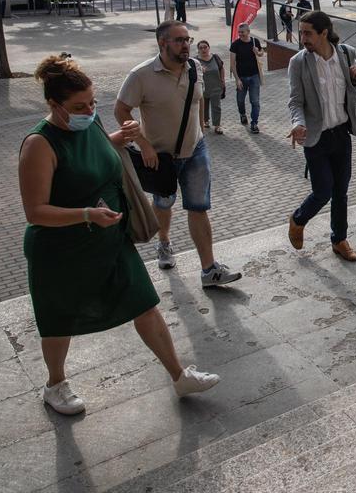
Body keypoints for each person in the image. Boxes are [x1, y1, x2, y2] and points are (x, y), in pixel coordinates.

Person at [19, 55, 221, 415]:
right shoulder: (39, 144)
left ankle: (179, 375)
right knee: (58, 317)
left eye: (92, 102)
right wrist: (86, 214)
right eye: (78, 106)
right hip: (61, 248)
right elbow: (35, 212)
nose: (89, 109)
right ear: (54, 105)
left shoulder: (90, 123)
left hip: (109, 239)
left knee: (144, 303)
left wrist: (118, 138)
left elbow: (95, 151)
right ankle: (55, 384)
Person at [115, 20, 242, 286]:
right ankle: (163, 243)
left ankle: (209, 270)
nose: (186, 45)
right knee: (163, 203)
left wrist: (201, 129)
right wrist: (143, 144)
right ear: (162, 43)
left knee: (198, 207)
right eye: (179, 40)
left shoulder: (195, 67)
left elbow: (198, 100)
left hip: (195, 150)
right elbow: (121, 111)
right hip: (160, 157)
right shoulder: (141, 75)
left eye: (188, 40)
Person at [286, 10, 356, 261]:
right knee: (323, 191)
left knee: (340, 192)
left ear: (324, 32)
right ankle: (298, 219)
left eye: (307, 33)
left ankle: (339, 240)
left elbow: (351, 92)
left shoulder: (346, 53)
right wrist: (298, 124)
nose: (302, 38)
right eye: (301, 32)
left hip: (342, 133)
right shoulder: (299, 62)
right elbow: (295, 101)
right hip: (315, 136)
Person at [229, 23, 264, 134]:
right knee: (240, 100)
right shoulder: (235, 45)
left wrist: (257, 52)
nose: (240, 34)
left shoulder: (255, 41)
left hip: (254, 76)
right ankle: (243, 114)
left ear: (248, 31)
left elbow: (261, 53)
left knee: (255, 101)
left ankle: (254, 123)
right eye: (239, 32)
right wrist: (237, 79)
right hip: (241, 77)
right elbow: (232, 63)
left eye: (242, 32)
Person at [195, 40, 226, 134]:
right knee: (203, 106)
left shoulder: (215, 57)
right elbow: (190, 73)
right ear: (198, 50)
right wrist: (200, 71)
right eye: (201, 48)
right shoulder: (195, 61)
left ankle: (217, 126)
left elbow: (221, 68)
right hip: (202, 88)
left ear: (209, 48)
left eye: (205, 47)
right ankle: (205, 121)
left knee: (216, 107)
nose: (203, 49)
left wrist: (222, 80)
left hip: (216, 87)